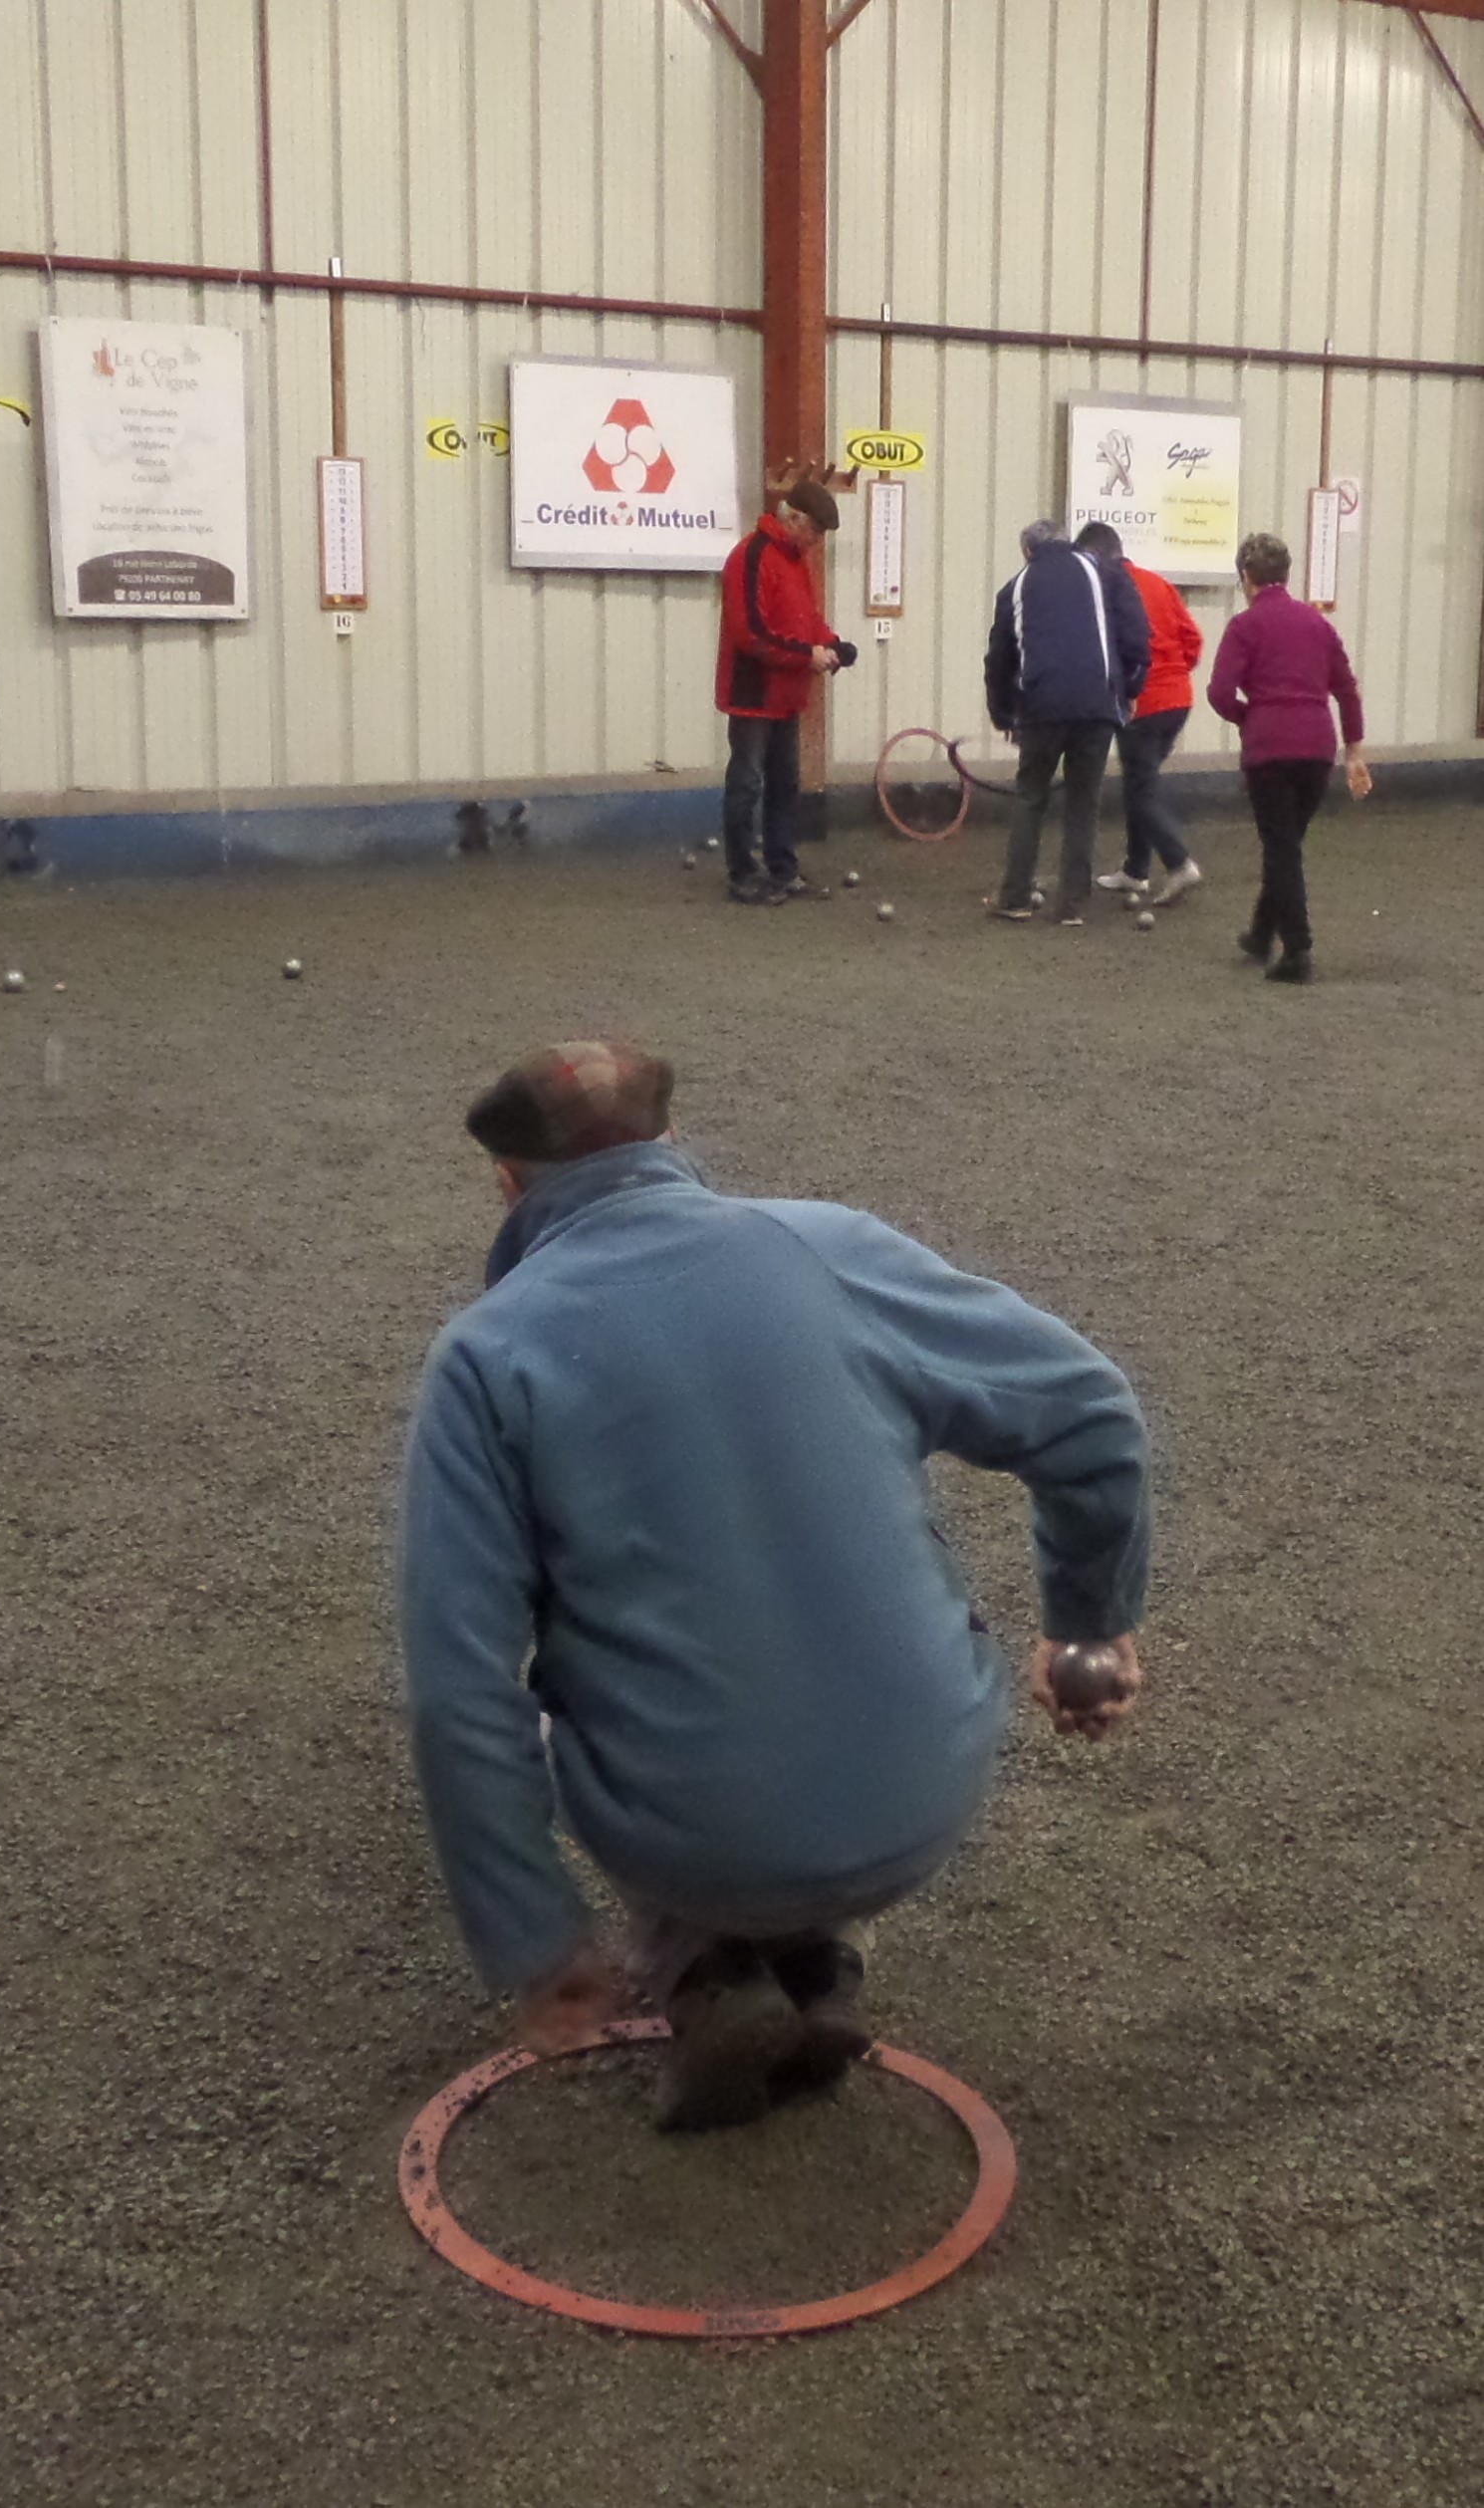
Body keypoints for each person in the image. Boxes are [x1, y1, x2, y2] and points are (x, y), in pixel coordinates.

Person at [399, 1041, 1149, 2130]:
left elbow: (458, 1686)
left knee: (584, 1693)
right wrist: (1086, 1637)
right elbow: (1093, 1417)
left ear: (508, 1184)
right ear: (668, 1144)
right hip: (924, 1798)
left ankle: (706, 1971)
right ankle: (814, 1963)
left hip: (695, 1840)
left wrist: (535, 1937)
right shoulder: (831, 1246)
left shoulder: (484, 1354)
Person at [1205, 531, 1372, 984]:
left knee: (1281, 847)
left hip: (1269, 749)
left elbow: (1219, 693)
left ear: (1246, 577)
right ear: (1285, 574)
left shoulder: (1244, 627)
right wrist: (1354, 749)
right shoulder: (1317, 624)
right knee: (1286, 843)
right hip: (1317, 747)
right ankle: (1262, 933)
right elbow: (1347, 689)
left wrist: (1248, 716)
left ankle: (1298, 949)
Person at [984, 519, 1152, 926]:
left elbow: (999, 661)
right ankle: (1073, 906)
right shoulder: (1106, 571)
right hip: (1097, 704)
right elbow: (1137, 637)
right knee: (1084, 801)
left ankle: (1016, 897)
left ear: (1028, 550)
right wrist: (1126, 690)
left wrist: (1005, 715)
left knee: (1031, 797)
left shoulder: (1015, 587)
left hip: (1041, 704)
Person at [714, 482, 856, 906]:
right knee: (747, 783)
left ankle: (783, 869)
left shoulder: (795, 562)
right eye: (814, 531)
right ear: (792, 518)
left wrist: (832, 644)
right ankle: (743, 873)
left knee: (783, 785)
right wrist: (807, 655)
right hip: (753, 692)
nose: (815, 542)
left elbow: (806, 620)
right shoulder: (750, 556)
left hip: (786, 694)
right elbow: (749, 634)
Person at [1076, 522, 1207, 909]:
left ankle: (1180, 862)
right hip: (1179, 700)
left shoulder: (1104, 590)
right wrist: (1176, 672)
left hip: (1142, 703)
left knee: (1140, 787)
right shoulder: (1158, 583)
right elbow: (1193, 639)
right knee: (1142, 781)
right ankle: (1135, 869)